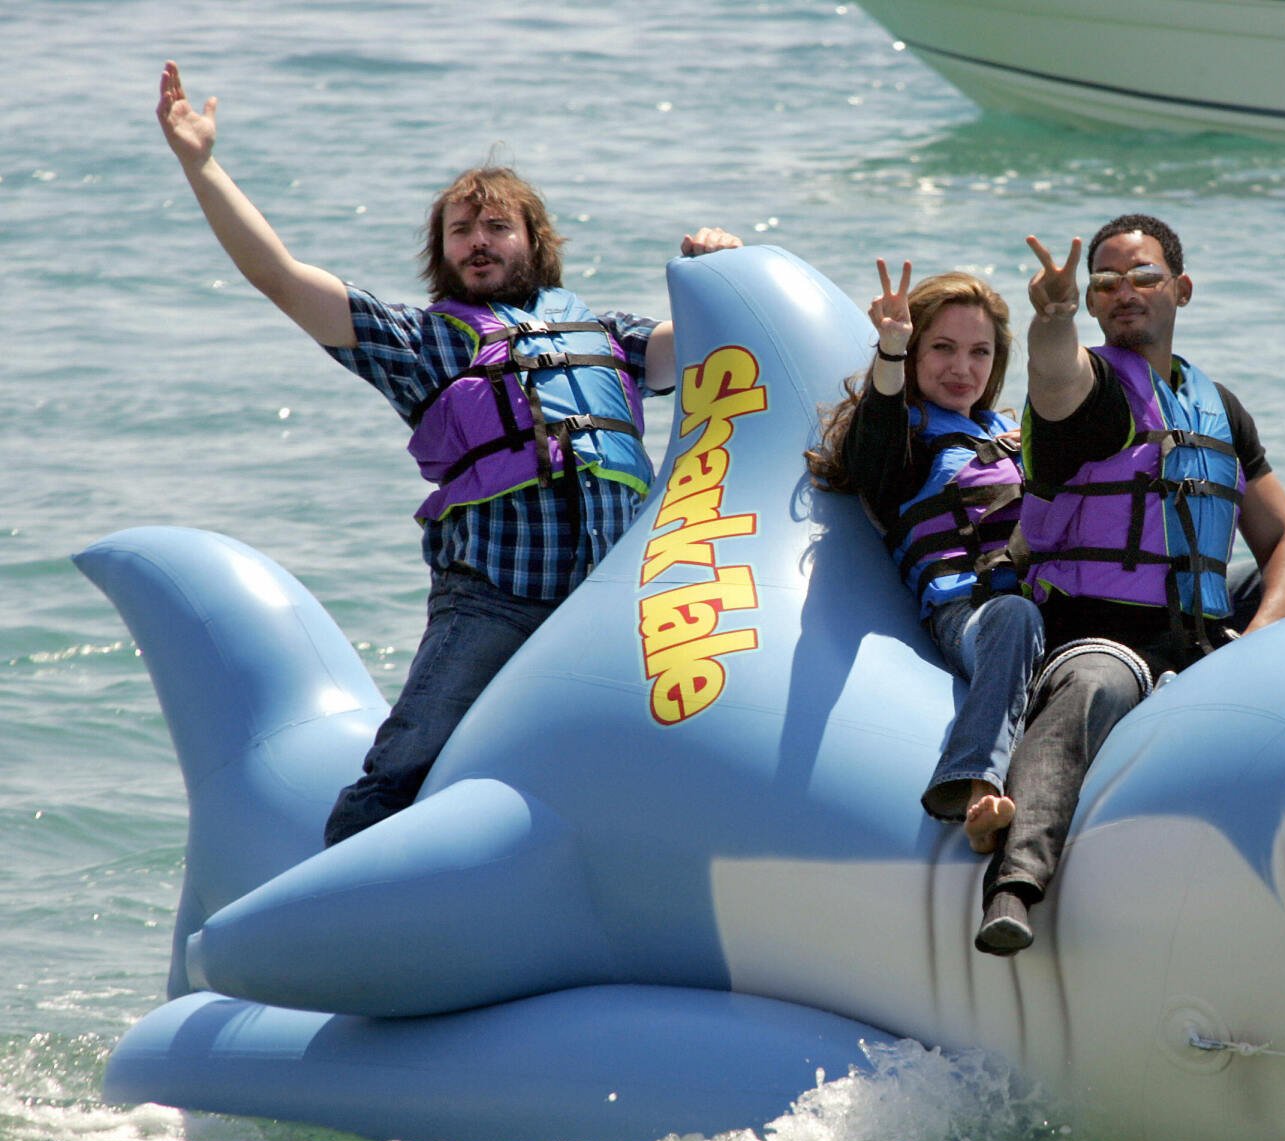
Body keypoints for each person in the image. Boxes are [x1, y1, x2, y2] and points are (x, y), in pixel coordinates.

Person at [155, 61, 742, 846]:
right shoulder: (423, 344)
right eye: (460, 230)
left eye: (496, 227)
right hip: (495, 598)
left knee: (679, 756)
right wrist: (202, 163)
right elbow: (279, 278)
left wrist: (720, 271)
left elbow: (704, 344)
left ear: (533, 241)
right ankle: (337, 919)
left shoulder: (605, 335)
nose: (477, 242)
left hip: (611, 601)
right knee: (404, 767)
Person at [975, 214, 1285, 955]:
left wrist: (1257, 646)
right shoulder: (1093, 393)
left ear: (1181, 290)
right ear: (1092, 304)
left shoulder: (1217, 408)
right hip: (1096, 629)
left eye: (1144, 276)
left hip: (1202, 636)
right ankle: (1014, 885)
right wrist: (1052, 318)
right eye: (1104, 282)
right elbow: (1055, 374)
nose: (1124, 291)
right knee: (1093, 684)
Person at [806, 261, 1044, 853]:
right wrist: (889, 351)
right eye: (941, 348)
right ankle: (970, 787)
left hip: (1048, 606)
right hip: (974, 616)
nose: (962, 368)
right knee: (1015, 616)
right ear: (913, 356)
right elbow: (870, 454)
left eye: (979, 353)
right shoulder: (908, 435)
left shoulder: (1011, 435)